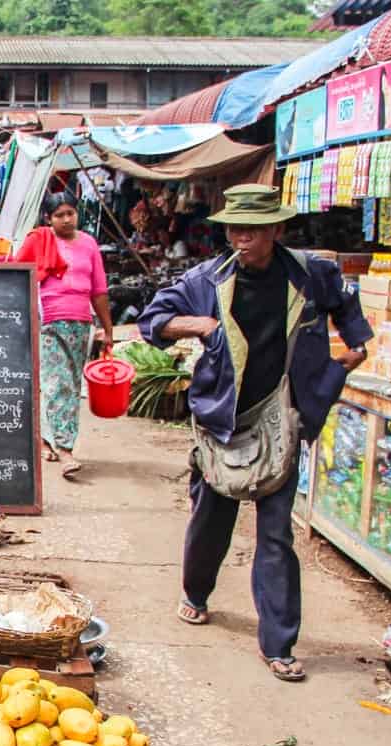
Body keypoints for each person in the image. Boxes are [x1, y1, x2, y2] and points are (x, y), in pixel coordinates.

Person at [139, 184, 373, 683]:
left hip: (283, 417)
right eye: (234, 228)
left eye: (253, 229)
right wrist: (196, 325)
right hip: (223, 421)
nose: (241, 238)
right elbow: (152, 321)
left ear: (276, 230)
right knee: (211, 521)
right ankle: (196, 593)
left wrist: (352, 353)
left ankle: (279, 644)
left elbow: (347, 309)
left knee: (275, 535)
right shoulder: (206, 279)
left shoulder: (311, 274)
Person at [12, 191, 113, 480]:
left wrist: (107, 328)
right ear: (48, 218)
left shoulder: (89, 244)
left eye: (71, 213)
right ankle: (66, 449)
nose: (67, 219)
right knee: (58, 383)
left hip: (81, 322)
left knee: (70, 380)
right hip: (47, 322)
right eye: (60, 215)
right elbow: (18, 278)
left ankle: (46, 439)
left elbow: (99, 290)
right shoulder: (39, 240)